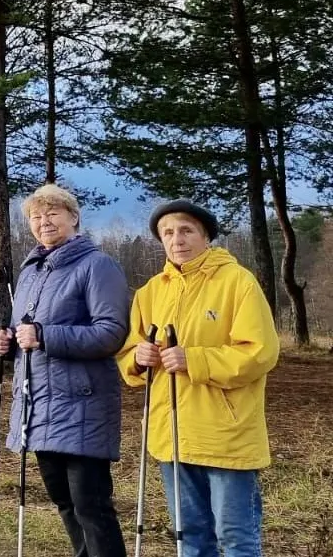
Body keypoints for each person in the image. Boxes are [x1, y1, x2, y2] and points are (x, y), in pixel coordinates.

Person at [117, 200, 280, 557]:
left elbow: (260, 352)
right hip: (170, 433)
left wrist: (193, 359)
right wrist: (137, 359)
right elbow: (129, 353)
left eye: (187, 230)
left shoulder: (237, 282)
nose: (178, 239)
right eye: (169, 232)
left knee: (235, 536)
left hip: (226, 434)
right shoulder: (149, 292)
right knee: (189, 536)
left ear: (205, 236)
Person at [0, 184, 131, 557]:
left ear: (73, 217)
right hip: (39, 408)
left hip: (83, 406)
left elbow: (111, 332)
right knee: (66, 503)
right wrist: (4, 341)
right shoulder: (31, 272)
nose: (43, 222)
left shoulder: (98, 265)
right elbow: (25, 331)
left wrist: (46, 336)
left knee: (92, 507)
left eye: (52, 213)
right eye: (36, 216)